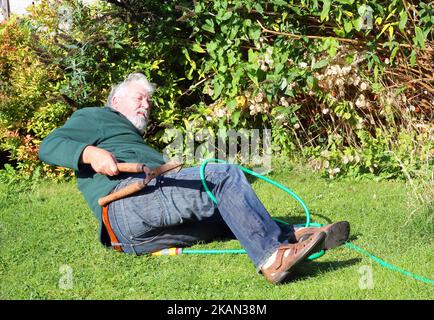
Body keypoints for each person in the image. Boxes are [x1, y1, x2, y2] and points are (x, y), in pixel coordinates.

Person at [39, 73, 350, 284]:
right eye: (139, 98)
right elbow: (49, 145)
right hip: (124, 203)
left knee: (224, 214)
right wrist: (91, 154)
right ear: (116, 101)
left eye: (148, 101)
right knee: (221, 175)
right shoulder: (95, 117)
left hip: (135, 237)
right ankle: (272, 258)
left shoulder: (136, 143)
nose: (145, 105)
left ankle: (296, 235)